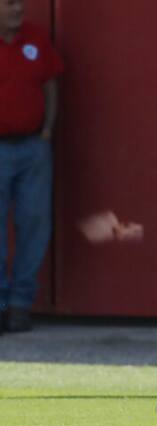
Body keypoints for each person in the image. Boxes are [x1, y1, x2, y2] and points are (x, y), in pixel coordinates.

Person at [0, 0, 62, 334]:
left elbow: (50, 84)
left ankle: (20, 305)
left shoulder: (35, 40)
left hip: (32, 147)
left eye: (19, 3)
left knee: (34, 222)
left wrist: (47, 130)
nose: (17, 9)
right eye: (9, 4)